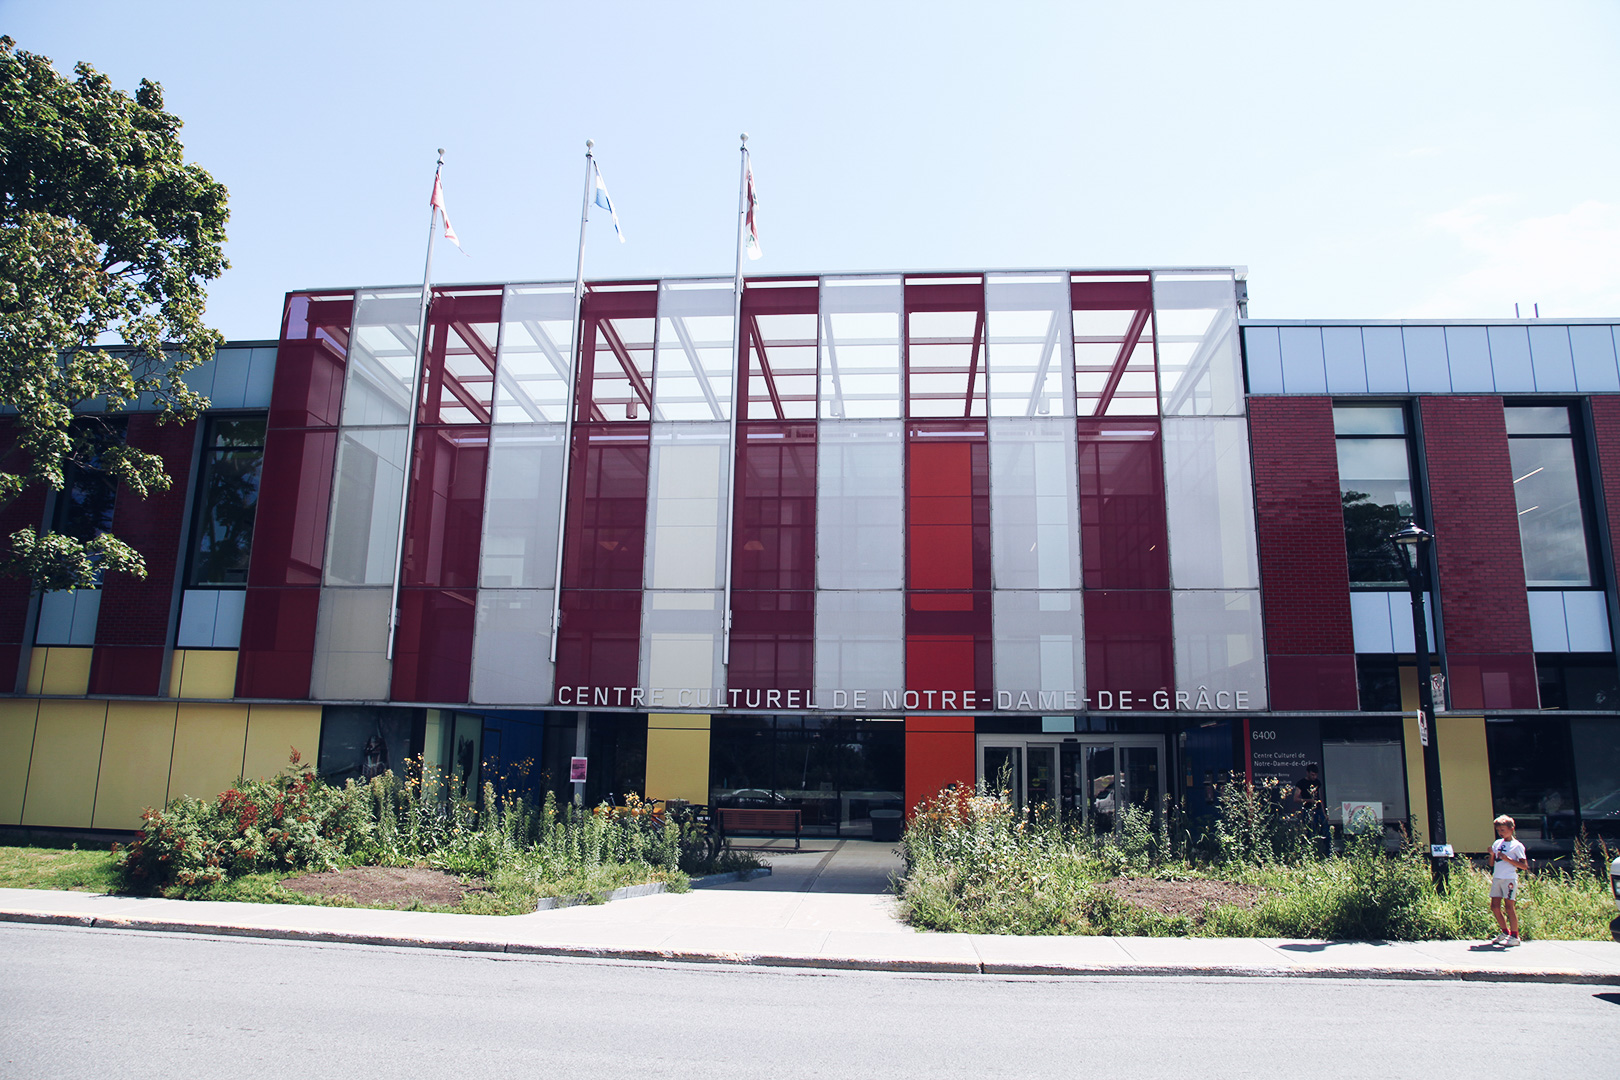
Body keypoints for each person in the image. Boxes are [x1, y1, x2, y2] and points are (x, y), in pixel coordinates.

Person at [1488, 814, 1528, 946]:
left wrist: (1508, 860)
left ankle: (1515, 935)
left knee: (1509, 907)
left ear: (1511, 829)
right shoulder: (1497, 843)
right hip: (1497, 877)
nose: (1500, 833)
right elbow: (1492, 864)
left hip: (1509, 878)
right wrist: (1492, 855)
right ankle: (1505, 931)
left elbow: (1524, 866)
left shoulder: (1517, 846)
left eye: (1503, 830)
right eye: (1499, 830)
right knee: (1494, 906)